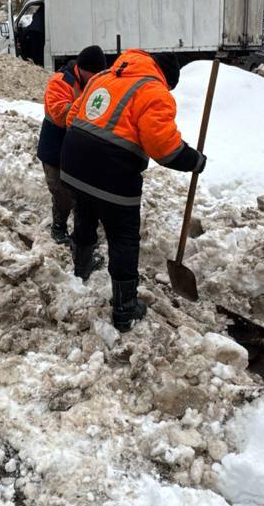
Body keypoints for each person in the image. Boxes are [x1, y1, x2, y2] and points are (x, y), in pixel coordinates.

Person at [60, 49, 205, 331]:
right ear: (167, 79)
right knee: (123, 236)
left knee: (86, 210)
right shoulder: (154, 91)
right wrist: (194, 160)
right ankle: (125, 309)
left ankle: (81, 266)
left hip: (73, 161)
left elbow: (72, 116)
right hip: (113, 171)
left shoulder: (104, 76)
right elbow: (165, 149)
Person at [37, 45, 107, 244]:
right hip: (55, 148)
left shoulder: (95, 82)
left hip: (78, 149)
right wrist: (89, 106)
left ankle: (81, 234)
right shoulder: (60, 82)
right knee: (61, 193)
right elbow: (60, 114)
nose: (95, 78)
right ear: (82, 68)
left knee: (80, 195)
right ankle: (58, 227)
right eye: (92, 74)